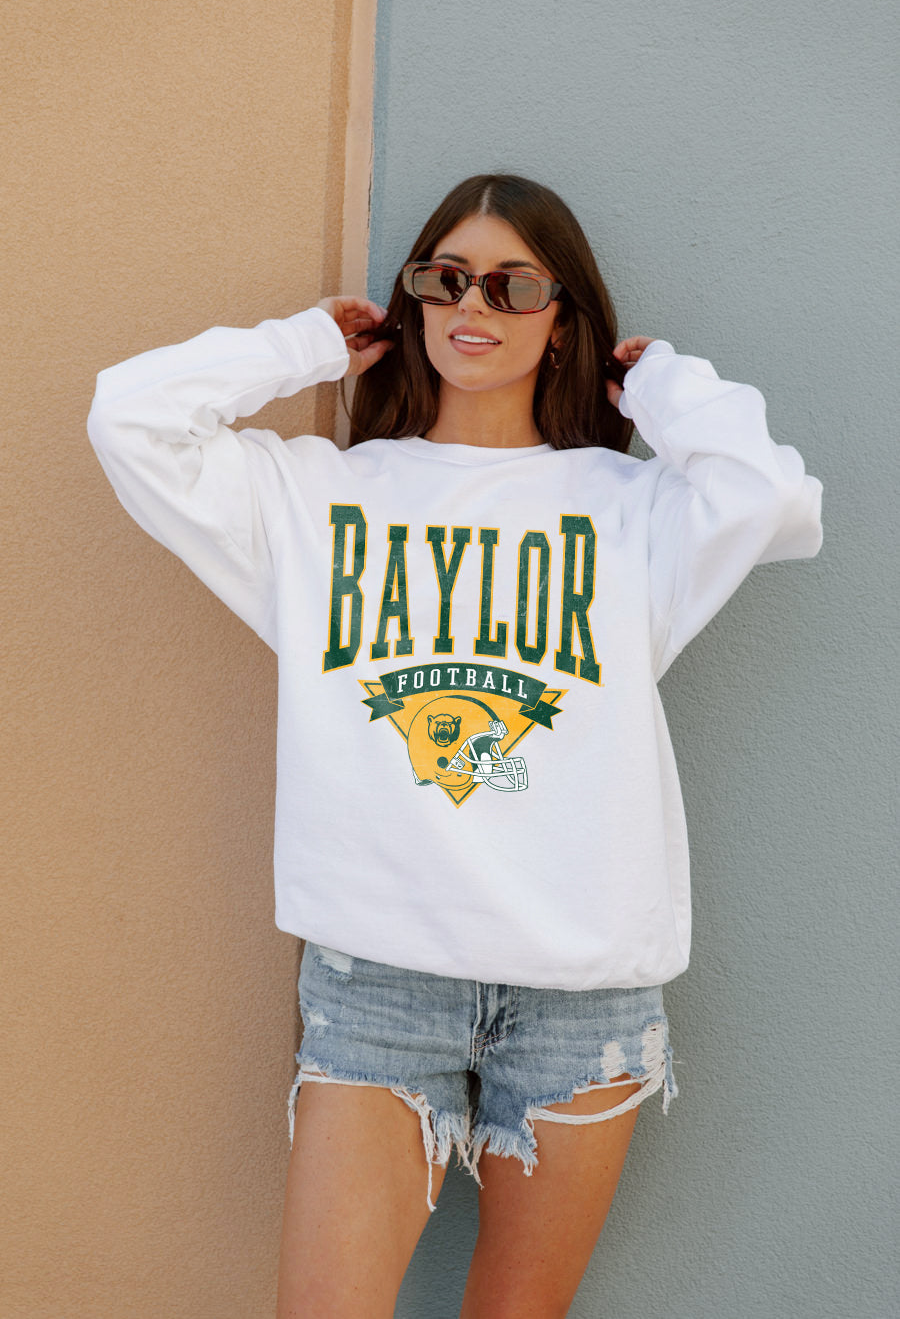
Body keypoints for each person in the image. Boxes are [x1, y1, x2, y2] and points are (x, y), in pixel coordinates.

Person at [87, 173, 823, 1318]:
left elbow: (771, 498)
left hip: (581, 989)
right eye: (445, 277)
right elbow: (128, 418)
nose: (473, 304)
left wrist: (661, 386)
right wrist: (303, 347)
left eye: (514, 284)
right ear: (414, 300)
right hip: (380, 978)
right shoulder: (316, 503)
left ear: (562, 319)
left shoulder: (634, 510)